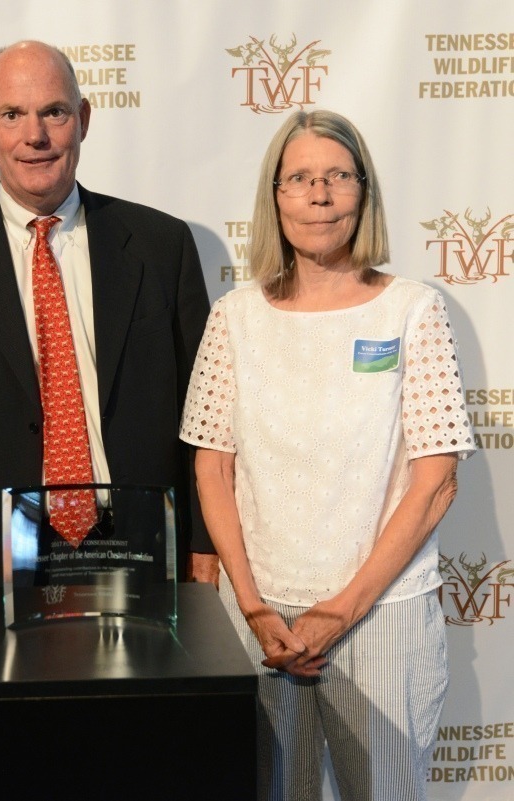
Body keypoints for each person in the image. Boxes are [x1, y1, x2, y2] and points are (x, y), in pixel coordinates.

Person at [180, 109, 475, 800]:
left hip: (383, 615)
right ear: (274, 196)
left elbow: (435, 484)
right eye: (300, 178)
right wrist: (253, 608)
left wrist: (341, 609)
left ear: (363, 192)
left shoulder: (413, 310)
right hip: (260, 620)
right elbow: (211, 466)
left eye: (337, 177)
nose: (319, 194)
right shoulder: (234, 315)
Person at [0, 40, 216, 588]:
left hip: (143, 553)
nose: (34, 136)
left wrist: (204, 547)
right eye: (12, 115)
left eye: (54, 112)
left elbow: (205, 417)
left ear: (83, 120)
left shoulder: (162, 246)